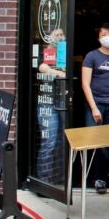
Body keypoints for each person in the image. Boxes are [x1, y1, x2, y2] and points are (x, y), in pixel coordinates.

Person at [81, 23, 109, 193]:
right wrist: (94, 108)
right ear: (99, 39)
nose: (108, 36)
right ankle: (105, 172)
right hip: (95, 104)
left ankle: (103, 177)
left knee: (106, 141)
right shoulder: (92, 56)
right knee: (95, 140)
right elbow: (85, 83)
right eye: (104, 34)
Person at [36, 27, 66, 184]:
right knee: (49, 141)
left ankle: (59, 178)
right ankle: (44, 181)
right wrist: (59, 73)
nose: (60, 37)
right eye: (57, 35)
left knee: (61, 141)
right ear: (49, 37)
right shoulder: (45, 52)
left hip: (63, 100)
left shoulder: (65, 53)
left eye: (62, 34)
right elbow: (42, 68)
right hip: (47, 100)